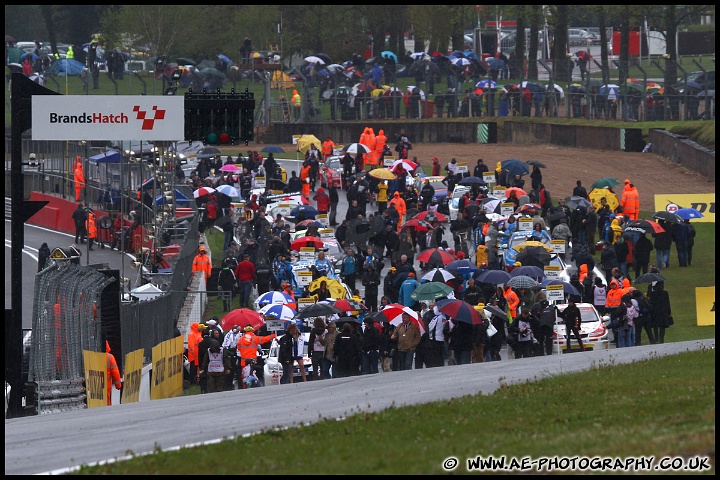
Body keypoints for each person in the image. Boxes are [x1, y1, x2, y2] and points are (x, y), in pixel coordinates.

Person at [105, 341, 122, 406]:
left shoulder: (94, 356)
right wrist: (118, 385)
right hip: (107, 385)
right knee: (107, 403)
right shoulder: (110, 357)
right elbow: (115, 372)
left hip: (95, 385)